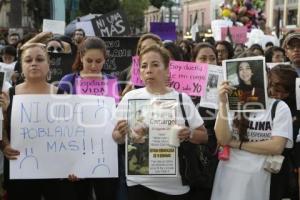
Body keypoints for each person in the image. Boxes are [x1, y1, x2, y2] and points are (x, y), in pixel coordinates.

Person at [113, 45, 207, 200]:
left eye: (155, 65)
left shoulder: (183, 99)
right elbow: (116, 137)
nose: (148, 70)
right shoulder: (130, 98)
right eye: (144, 66)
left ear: (167, 70)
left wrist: (188, 133)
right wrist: (120, 133)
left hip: (175, 187)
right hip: (138, 183)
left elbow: (203, 136)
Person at [211, 69, 294, 200]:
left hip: (259, 176)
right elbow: (222, 139)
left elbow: (276, 146)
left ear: (267, 78)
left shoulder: (279, 107)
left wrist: (237, 144)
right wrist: (222, 103)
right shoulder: (232, 103)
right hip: (228, 174)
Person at [58, 36, 120, 200]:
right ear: (81, 58)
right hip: (77, 152)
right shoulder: (68, 81)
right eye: (89, 60)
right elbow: (58, 119)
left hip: (105, 152)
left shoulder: (112, 81)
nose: (94, 66)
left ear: (105, 59)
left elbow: (116, 115)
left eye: (99, 61)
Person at [1, 42, 63, 200]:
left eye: (40, 59)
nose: (34, 63)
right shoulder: (8, 94)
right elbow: (3, 128)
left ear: (48, 65)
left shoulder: (62, 94)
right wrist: (5, 145)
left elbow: (70, 134)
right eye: (28, 60)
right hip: (20, 167)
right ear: (21, 66)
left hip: (54, 170)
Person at [190, 42, 219, 200]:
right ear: (193, 61)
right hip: (187, 152)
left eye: (212, 58)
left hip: (213, 155)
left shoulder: (224, 87)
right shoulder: (180, 88)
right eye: (202, 58)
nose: (208, 62)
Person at [267, 64, 299, 200]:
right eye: (275, 88)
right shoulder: (258, 103)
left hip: (281, 169)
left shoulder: (295, 110)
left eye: (284, 92)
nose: (277, 95)